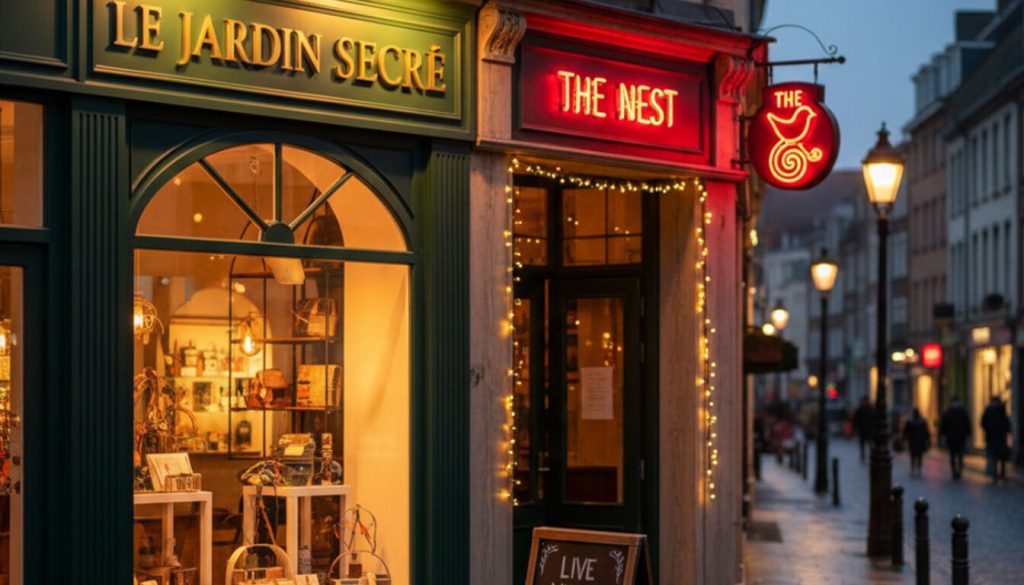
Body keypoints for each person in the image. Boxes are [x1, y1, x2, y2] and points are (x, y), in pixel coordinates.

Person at [981, 397, 1012, 483]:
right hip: (999, 437)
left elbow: (983, 423)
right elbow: (1007, 424)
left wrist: (988, 430)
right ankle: (1000, 474)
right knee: (1000, 457)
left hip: (994, 437)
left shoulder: (989, 410)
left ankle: (997, 475)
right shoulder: (1001, 410)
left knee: (996, 456)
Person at [939, 397, 971, 479]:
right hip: (957, 438)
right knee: (957, 456)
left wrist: (943, 437)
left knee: (955, 456)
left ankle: (956, 472)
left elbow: (942, 427)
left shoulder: (949, 412)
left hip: (954, 438)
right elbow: (943, 426)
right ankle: (957, 472)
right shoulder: (959, 412)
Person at [903, 408, 930, 478]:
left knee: (913, 456)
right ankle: (918, 469)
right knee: (919, 456)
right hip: (920, 441)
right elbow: (926, 432)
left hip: (912, 441)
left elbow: (905, 432)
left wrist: (905, 439)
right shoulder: (922, 421)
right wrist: (927, 440)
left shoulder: (910, 422)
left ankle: (913, 468)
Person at [853, 397, 874, 462]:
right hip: (864, 429)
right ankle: (863, 457)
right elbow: (856, 419)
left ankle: (866, 456)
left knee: (868, 444)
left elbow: (855, 419)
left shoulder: (869, 409)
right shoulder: (862, 409)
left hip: (867, 429)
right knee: (864, 444)